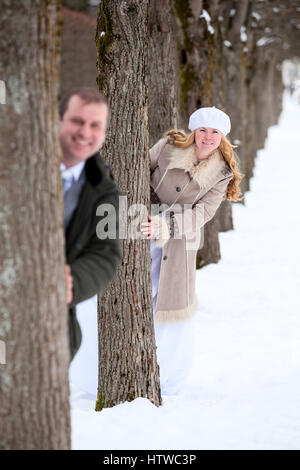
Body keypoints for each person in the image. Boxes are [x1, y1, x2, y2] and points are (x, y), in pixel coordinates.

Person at [141, 106, 243, 395]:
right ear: (193, 132)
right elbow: (136, 171)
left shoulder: (222, 173)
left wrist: (166, 225)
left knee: (169, 305)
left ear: (222, 136)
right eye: (203, 130)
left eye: (214, 132)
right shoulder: (167, 146)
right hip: (139, 224)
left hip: (179, 239)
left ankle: (168, 374)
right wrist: (144, 210)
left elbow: (202, 214)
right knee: (137, 294)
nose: (208, 137)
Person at [59, 87, 121, 361]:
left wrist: (74, 280)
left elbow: (106, 254)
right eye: (77, 121)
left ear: (104, 134)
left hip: (55, 321)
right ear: (59, 121)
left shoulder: (106, 192)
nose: (85, 133)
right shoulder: (12, 162)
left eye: (95, 125)